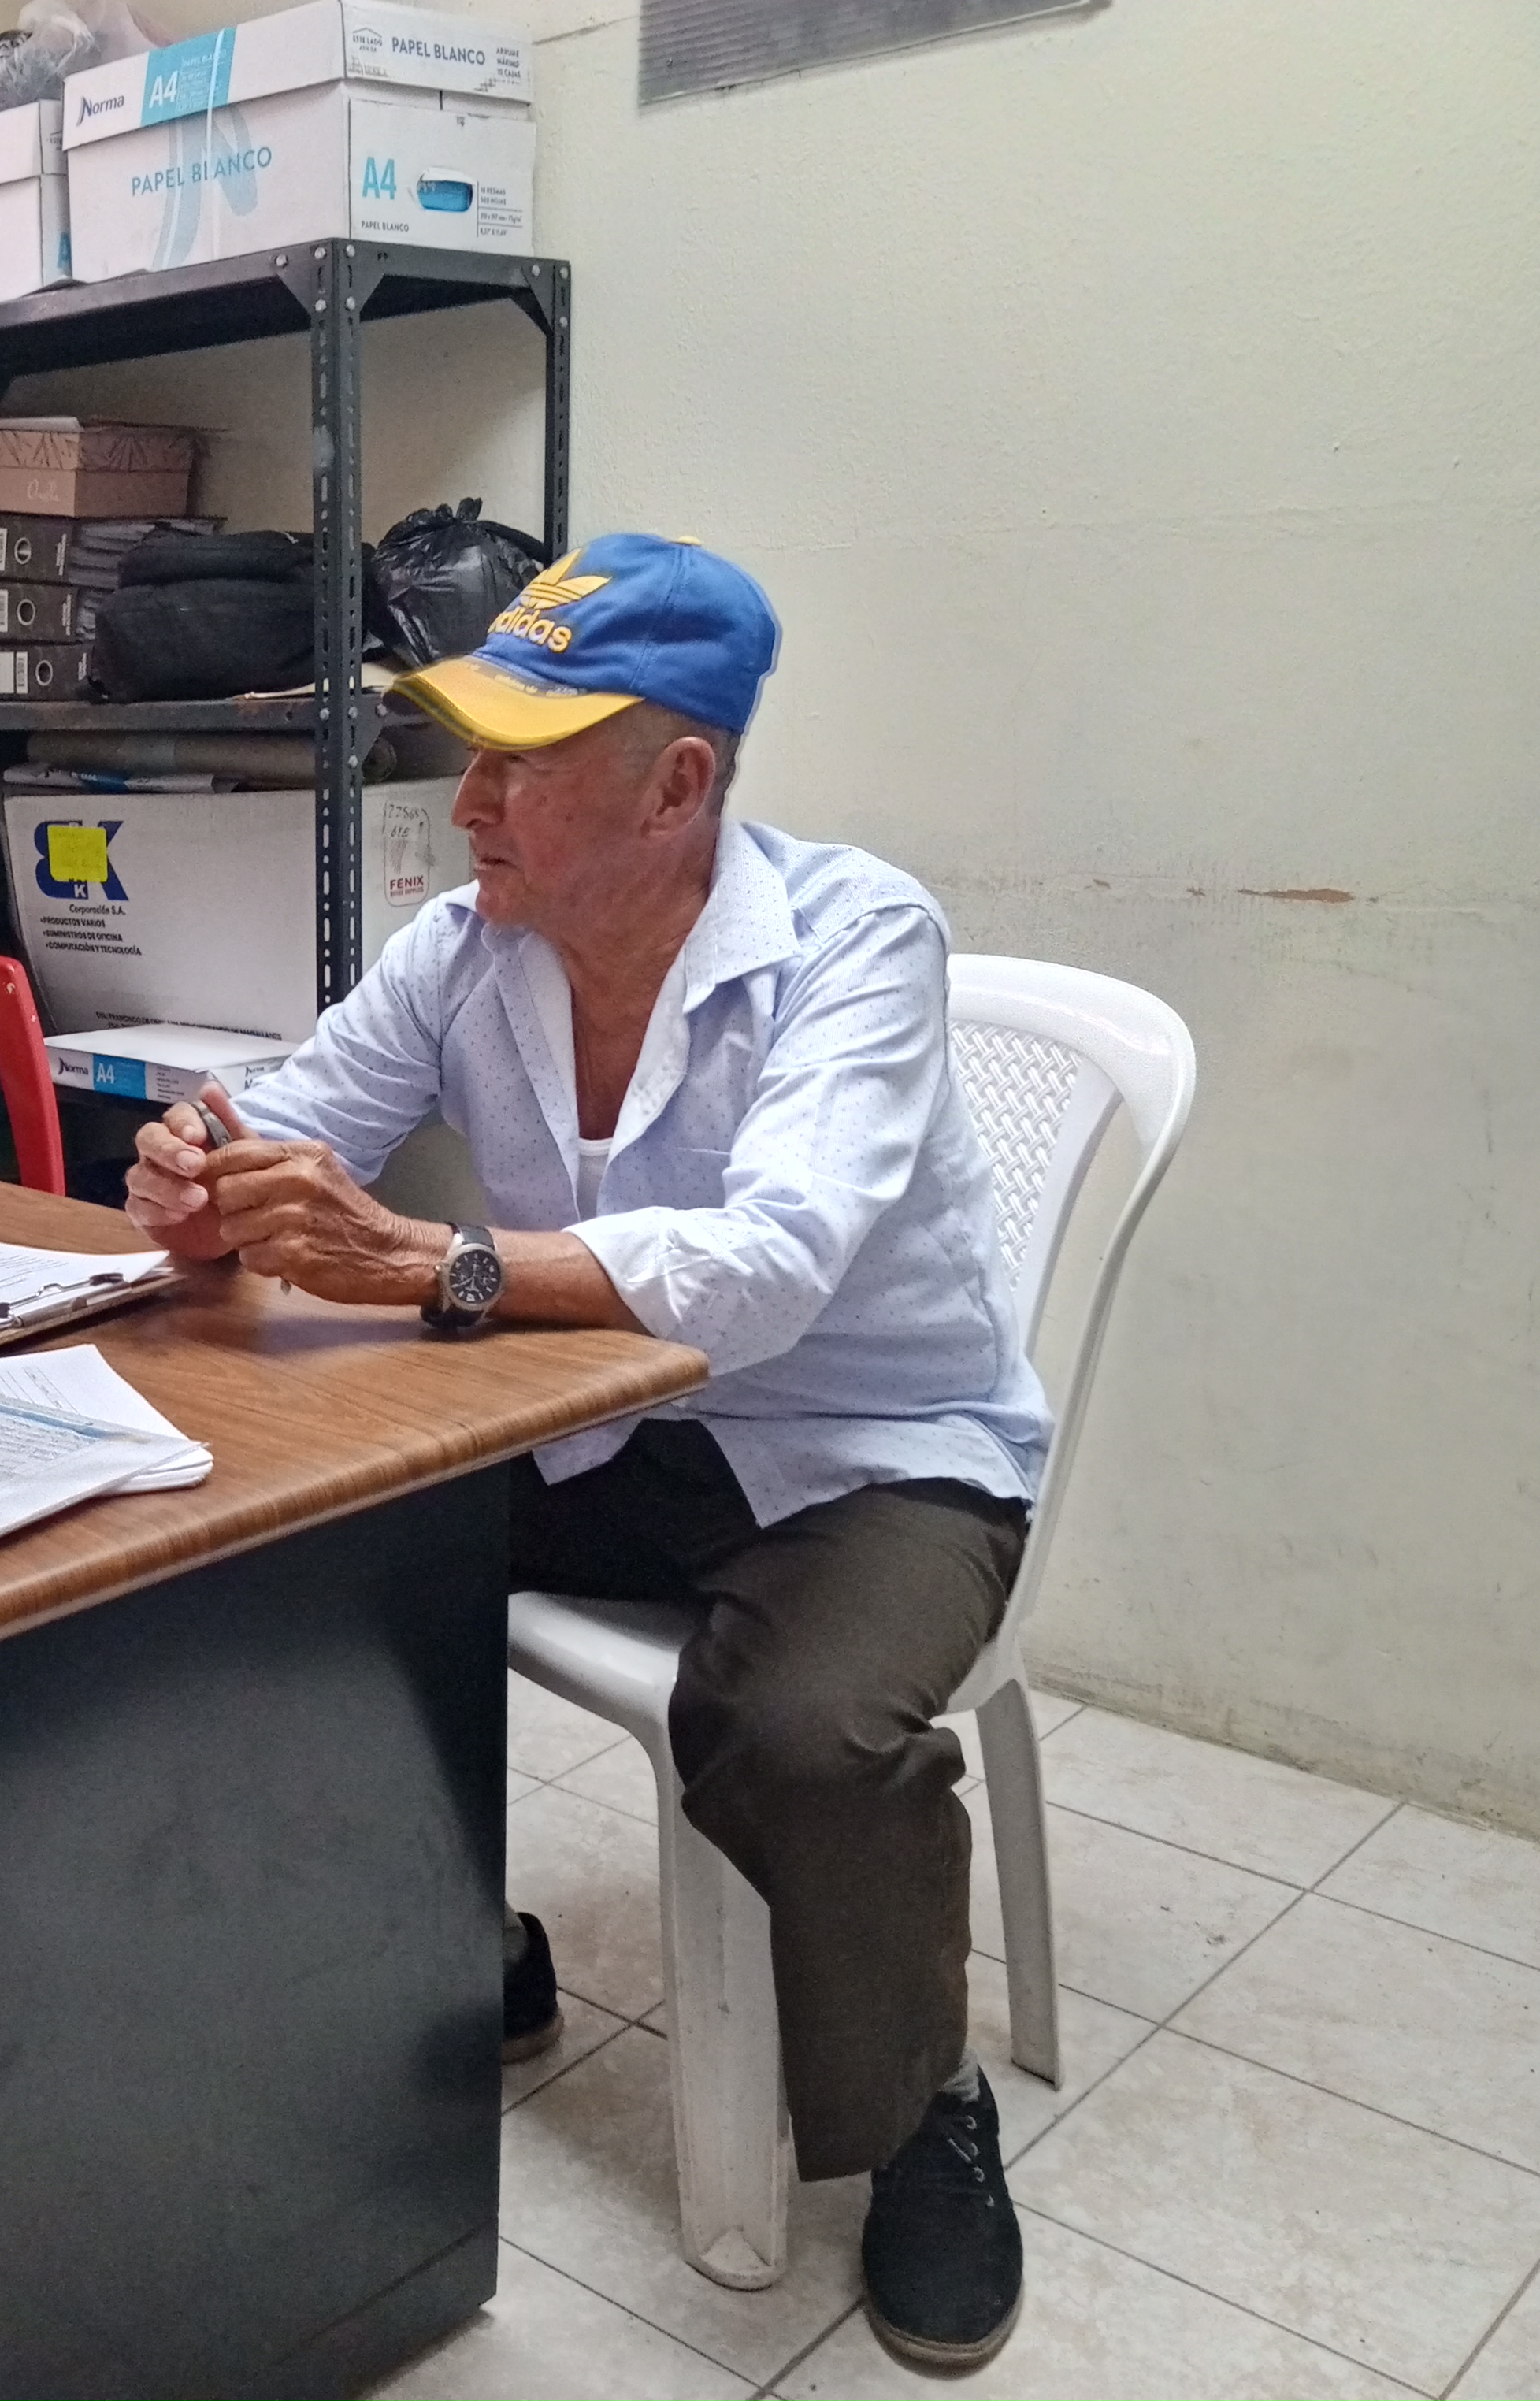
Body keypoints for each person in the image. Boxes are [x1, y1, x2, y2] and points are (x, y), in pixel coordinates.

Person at [124, 534, 1048, 2372]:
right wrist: (201, 1178)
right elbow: (291, 1120)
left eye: (514, 762)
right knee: (290, 1558)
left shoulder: (856, 938)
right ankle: (460, 1946)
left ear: (674, 783)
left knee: (802, 1732)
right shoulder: (466, 947)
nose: (464, 803)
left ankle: (920, 2111)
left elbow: (769, 1268)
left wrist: (430, 1263)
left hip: (863, 1448)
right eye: (465, 752)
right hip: (593, 1420)